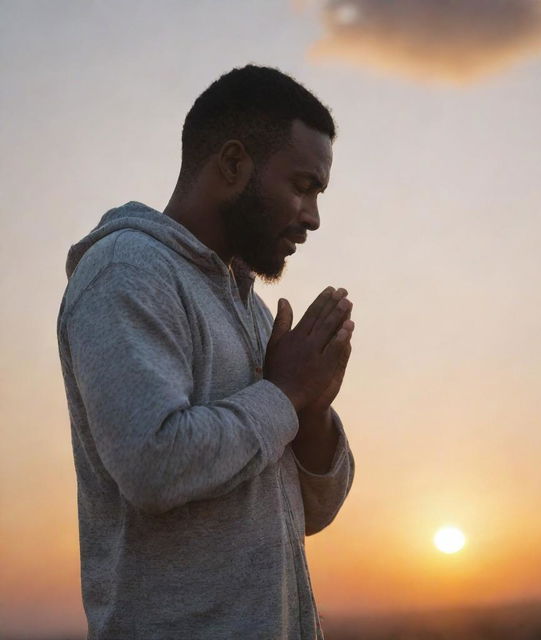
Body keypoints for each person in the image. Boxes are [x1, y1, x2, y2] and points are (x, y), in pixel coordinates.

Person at [55, 64, 355, 640]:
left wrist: (312, 406)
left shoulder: (250, 307)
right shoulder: (127, 272)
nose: (313, 217)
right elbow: (153, 464)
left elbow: (312, 512)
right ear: (234, 164)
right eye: (301, 186)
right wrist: (286, 393)